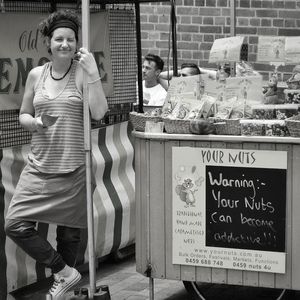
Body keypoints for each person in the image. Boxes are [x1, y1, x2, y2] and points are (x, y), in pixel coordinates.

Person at [4, 9, 108, 299]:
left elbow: (99, 112)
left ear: (77, 43)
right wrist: (36, 123)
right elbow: (24, 114)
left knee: (69, 234)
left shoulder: (83, 74)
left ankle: (61, 285)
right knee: (15, 224)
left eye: (71, 39)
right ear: (48, 43)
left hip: (75, 166)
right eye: (59, 39)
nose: (65, 44)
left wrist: (93, 74)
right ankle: (64, 272)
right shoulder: (37, 74)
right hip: (39, 165)